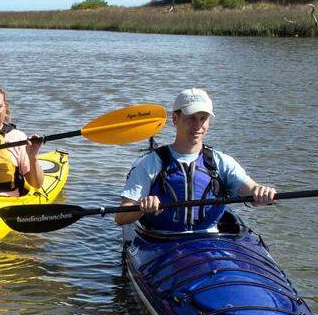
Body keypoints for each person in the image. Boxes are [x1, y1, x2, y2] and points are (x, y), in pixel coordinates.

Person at [115, 88, 275, 234]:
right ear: (175, 118)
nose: (198, 125)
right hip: (162, 241)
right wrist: (142, 208)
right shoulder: (150, 163)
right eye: (191, 118)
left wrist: (261, 192)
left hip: (210, 240)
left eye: (203, 118)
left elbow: (250, 188)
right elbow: (120, 217)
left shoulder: (220, 161)